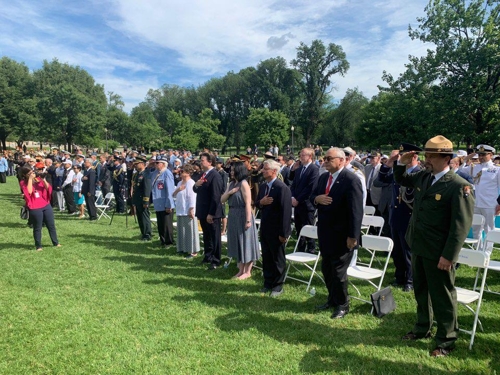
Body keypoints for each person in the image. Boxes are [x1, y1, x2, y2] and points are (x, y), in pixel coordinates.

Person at [393, 135, 474, 357]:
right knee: (421, 291)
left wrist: (448, 256)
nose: (426, 159)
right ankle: (422, 328)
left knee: (442, 296)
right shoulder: (424, 177)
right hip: (419, 245)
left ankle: (446, 339)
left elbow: (460, 227)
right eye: (426, 155)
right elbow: (402, 180)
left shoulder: (459, 186)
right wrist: (402, 163)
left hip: (439, 251)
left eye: (431, 156)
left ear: (445, 158)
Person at [310, 148, 363, 319]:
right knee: (327, 268)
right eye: (324, 158)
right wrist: (317, 199)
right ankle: (332, 299)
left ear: (341, 160)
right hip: (325, 231)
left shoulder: (351, 179)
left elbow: (356, 211)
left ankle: (343, 304)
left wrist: (353, 236)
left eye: (329, 158)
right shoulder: (324, 177)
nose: (325, 161)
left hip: (343, 234)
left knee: (339, 271)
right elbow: (312, 196)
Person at [377, 144, 421, 292]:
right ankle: (399, 276)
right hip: (395, 215)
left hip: (409, 216)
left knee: (408, 251)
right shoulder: (398, 172)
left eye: (404, 156)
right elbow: (382, 178)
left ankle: (410, 280)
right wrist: (389, 163)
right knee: (397, 251)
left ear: (413, 157)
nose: (401, 159)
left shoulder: (419, 173)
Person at [255, 159, 292, 297]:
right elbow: (257, 204)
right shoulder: (264, 186)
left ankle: (278, 286)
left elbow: (286, 212)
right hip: (265, 228)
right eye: (263, 169)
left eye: (265, 169)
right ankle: (268, 282)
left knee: (277, 258)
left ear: (274, 171)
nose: (262, 171)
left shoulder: (282, 188)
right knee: (267, 257)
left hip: (277, 230)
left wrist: (284, 233)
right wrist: (261, 202)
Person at [222, 161, 260, 279]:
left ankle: (247, 271)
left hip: (243, 214)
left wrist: (248, 220)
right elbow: (222, 199)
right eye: (231, 170)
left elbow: (248, 203)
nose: (232, 172)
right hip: (233, 214)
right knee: (238, 242)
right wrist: (230, 192)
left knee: (246, 242)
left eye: (234, 170)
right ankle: (240, 269)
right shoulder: (231, 184)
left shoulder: (244, 184)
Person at [459, 144, 500, 254]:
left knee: (489, 229)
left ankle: (486, 253)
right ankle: (478, 251)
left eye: (484, 155)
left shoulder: (496, 169)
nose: (481, 157)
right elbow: (459, 171)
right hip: (475, 203)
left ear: (491, 155)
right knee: (476, 228)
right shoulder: (474, 167)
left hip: (490, 204)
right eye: (479, 155)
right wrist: (465, 159)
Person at [193, 152, 224, 270]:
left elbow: (216, 196)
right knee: (206, 235)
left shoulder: (215, 175)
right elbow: (196, 189)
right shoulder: (203, 174)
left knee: (214, 236)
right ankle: (208, 256)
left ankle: (216, 260)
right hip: (203, 210)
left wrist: (211, 213)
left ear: (210, 162)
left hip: (212, 212)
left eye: (202, 160)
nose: (201, 162)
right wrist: (196, 185)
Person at [19, 165, 61, 251]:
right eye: (29, 173)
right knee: (37, 227)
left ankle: (55, 242)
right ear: (24, 175)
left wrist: (43, 179)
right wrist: (30, 179)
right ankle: (38, 245)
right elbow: (29, 192)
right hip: (35, 207)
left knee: (51, 225)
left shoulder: (38, 179)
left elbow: (48, 188)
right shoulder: (23, 182)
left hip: (45, 204)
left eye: (32, 171)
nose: (32, 173)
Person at [290, 148, 319, 254]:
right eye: (300, 155)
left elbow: (310, 187)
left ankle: (311, 248)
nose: (301, 157)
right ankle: (300, 248)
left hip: (307, 204)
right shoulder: (299, 169)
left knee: (308, 226)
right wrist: (292, 197)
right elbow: (293, 185)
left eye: (303, 155)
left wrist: (298, 199)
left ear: (310, 156)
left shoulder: (314, 169)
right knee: (299, 227)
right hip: (297, 204)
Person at [173, 164, 200, 257]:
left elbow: (192, 197)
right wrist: (178, 190)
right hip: (180, 209)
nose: (180, 173)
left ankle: (193, 251)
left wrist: (191, 209)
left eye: (182, 171)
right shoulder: (180, 183)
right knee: (182, 231)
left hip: (188, 210)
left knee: (190, 231)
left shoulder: (191, 183)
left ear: (188, 173)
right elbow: (173, 195)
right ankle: (183, 248)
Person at [151, 156, 176, 248]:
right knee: (160, 224)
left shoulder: (167, 173)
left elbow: (170, 190)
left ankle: (168, 242)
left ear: (163, 164)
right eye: (155, 163)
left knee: (166, 224)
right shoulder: (155, 173)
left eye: (157, 163)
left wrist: (169, 205)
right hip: (158, 202)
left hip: (165, 203)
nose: (156, 164)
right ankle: (162, 240)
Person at [131, 156, 152, 241]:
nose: (135, 165)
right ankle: (143, 233)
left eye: (137, 164)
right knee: (140, 217)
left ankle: (147, 234)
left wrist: (146, 201)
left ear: (142, 164)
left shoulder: (146, 174)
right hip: (137, 199)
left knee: (144, 217)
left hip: (143, 199)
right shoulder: (137, 174)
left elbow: (147, 189)